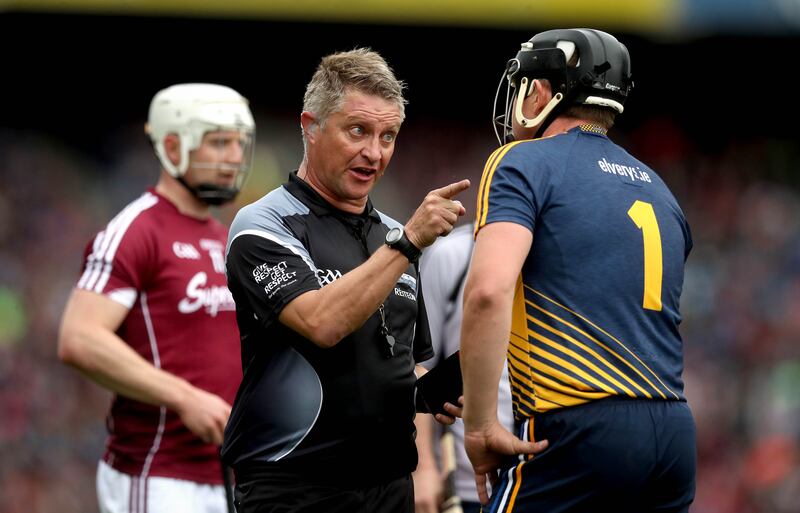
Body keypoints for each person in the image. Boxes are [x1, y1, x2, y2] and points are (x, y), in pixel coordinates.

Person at [221, 48, 469, 513]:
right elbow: (321, 322)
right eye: (358, 130)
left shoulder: (393, 237)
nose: (374, 153)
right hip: (295, 490)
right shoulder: (263, 224)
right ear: (310, 126)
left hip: (390, 487)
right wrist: (411, 242)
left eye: (388, 136)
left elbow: (402, 363)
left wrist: (427, 393)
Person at [460, 28, 696, 512]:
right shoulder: (659, 188)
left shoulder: (521, 162)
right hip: (673, 431)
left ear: (543, 91)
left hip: (578, 423)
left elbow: (488, 291)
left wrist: (481, 425)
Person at [57, 83, 255, 513]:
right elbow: (79, 338)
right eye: (219, 143)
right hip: (158, 472)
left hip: (226, 473)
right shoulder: (136, 231)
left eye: (239, 144)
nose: (235, 157)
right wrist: (183, 396)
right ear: (172, 146)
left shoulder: (225, 238)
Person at [413, 222, 515, 513]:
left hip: (550, 475)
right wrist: (424, 470)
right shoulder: (454, 254)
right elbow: (419, 365)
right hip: (468, 484)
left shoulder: (566, 257)